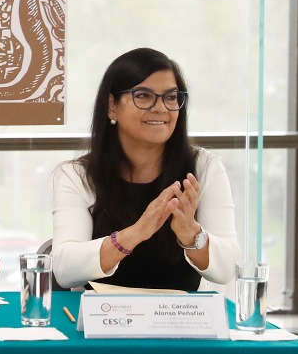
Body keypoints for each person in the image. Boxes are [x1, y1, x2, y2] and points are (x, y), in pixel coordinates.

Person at [51, 47, 237, 290]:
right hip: (99, 312)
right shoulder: (77, 175)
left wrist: (192, 234)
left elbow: (227, 269)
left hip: (180, 313)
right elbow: (64, 270)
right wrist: (135, 233)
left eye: (171, 97)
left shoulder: (204, 167)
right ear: (111, 106)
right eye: (143, 95)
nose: (161, 108)